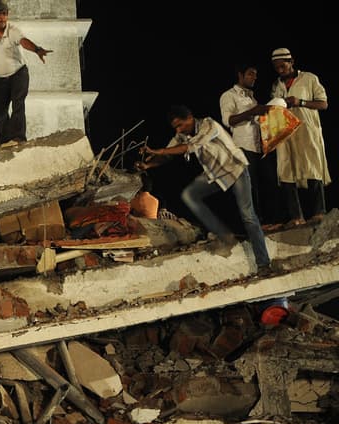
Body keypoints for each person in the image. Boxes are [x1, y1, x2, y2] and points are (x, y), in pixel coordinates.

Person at [136, 104, 270, 271]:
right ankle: (224, 235)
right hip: (214, 174)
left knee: (248, 216)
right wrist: (148, 165)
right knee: (189, 195)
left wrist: (159, 150)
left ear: (190, 118)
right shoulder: (181, 136)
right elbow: (169, 155)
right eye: (175, 127)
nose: (178, 130)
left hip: (235, 169)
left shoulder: (208, 125)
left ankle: (264, 263)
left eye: (180, 125)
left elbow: (190, 148)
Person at [0, 0, 51, 147]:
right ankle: (5, 142)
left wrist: (37, 50)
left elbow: (23, 41)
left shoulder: (12, 30)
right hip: (0, 78)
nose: (2, 18)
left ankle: (18, 138)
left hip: (18, 74)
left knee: (18, 103)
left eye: (4, 14)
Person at [269, 48, 330, 225]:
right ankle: (297, 217)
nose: (280, 70)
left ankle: (319, 212)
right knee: (286, 171)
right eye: (277, 67)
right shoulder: (276, 85)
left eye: (283, 66)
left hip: (307, 131)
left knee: (313, 167)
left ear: (292, 61)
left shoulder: (309, 78)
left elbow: (323, 103)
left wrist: (300, 102)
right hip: (285, 134)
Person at [219, 63, 277, 224]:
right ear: (240, 75)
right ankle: (255, 225)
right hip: (243, 147)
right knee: (250, 189)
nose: (254, 77)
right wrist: (253, 111)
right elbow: (228, 120)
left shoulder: (251, 97)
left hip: (259, 147)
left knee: (269, 183)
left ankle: (268, 222)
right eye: (251, 74)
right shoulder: (228, 96)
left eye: (256, 74)